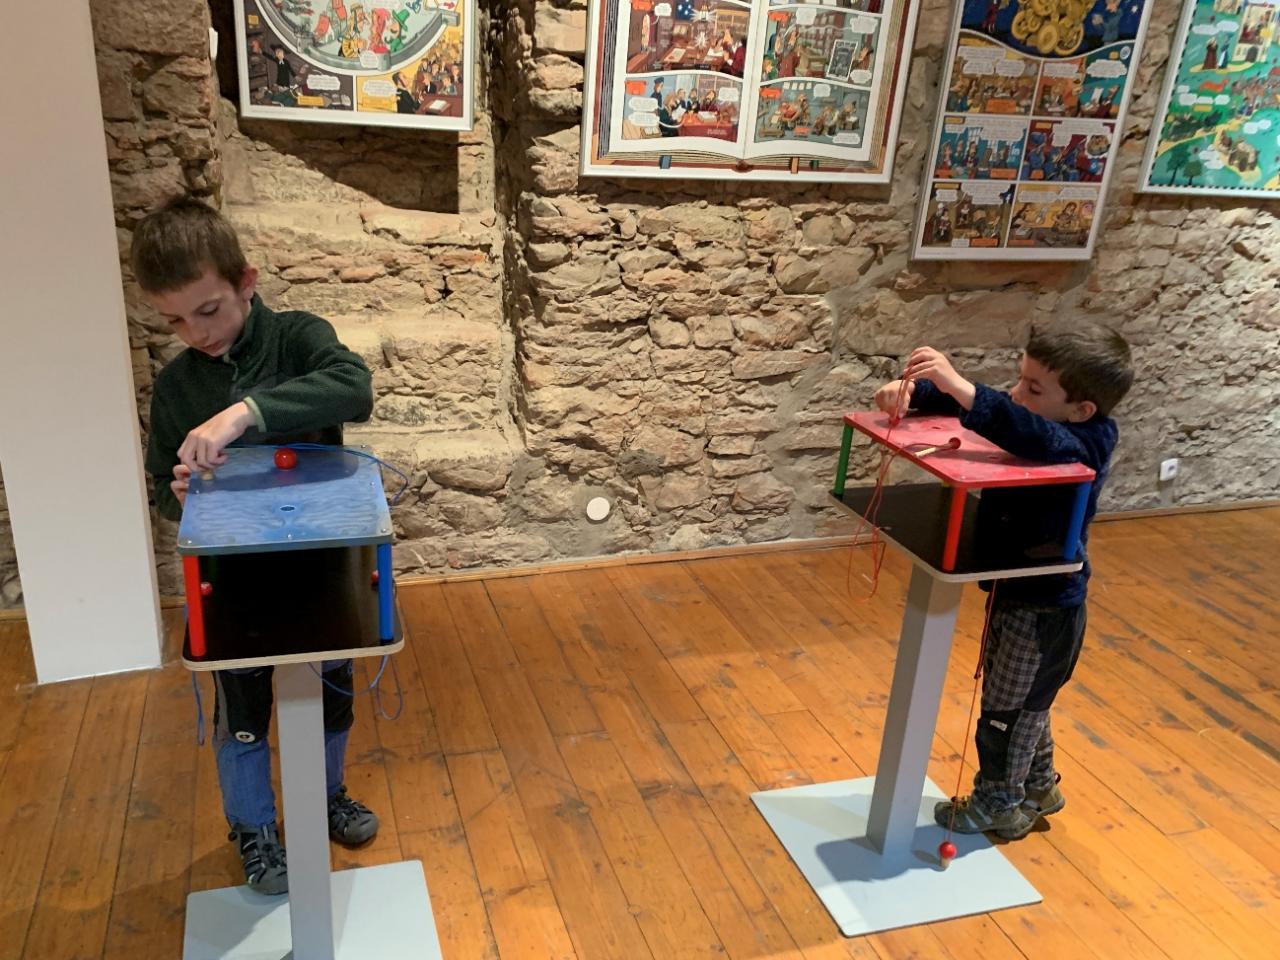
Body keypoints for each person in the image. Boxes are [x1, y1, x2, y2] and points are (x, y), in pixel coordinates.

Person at [131, 197, 380, 895]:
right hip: (232, 576)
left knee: (331, 693)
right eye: (175, 321)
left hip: (323, 563)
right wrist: (180, 494)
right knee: (241, 710)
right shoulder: (177, 385)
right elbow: (160, 488)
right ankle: (253, 828)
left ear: (246, 281)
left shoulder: (299, 337)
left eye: (208, 310)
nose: (196, 333)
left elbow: (353, 387)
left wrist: (244, 413)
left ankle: (324, 794)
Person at [873, 323, 1134, 839]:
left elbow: (1026, 430)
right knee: (1026, 704)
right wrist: (917, 393)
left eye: (1033, 388)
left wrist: (958, 385)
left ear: (1082, 409)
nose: (1016, 393)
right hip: (1017, 594)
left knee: (1007, 713)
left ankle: (1000, 805)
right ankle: (1038, 786)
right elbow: (1006, 414)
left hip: (1045, 609)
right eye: (1020, 379)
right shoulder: (1043, 416)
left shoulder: (1085, 441)